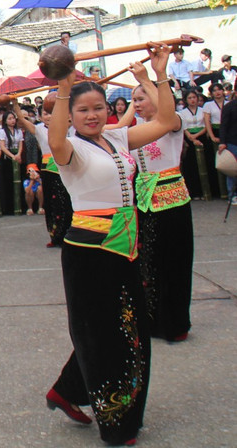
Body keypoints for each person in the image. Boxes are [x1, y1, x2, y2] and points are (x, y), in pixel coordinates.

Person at [45, 44, 176, 446]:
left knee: (128, 328)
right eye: (83, 110)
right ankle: (115, 421)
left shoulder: (119, 139)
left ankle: (66, 391)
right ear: (72, 114)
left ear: (109, 109)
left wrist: (159, 73)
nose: (92, 115)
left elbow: (168, 120)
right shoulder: (70, 148)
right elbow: (56, 136)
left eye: (98, 108)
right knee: (98, 332)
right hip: (89, 253)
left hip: (125, 247)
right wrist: (65, 88)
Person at [129, 68, 193, 343]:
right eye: (134, 99)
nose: (136, 103)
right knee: (148, 263)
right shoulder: (135, 130)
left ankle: (175, 322)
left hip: (172, 201)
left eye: (141, 98)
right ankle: (152, 319)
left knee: (174, 261)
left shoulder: (172, 124)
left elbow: (166, 112)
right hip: (144, 201)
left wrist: (148, 78)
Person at [13, 99, 72, 247]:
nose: (49, 116)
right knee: (52, 202)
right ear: (40, 117)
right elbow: (21, 119)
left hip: (66, 166)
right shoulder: (39, 129)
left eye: (52, 113)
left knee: (67, 201)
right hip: (48, 168)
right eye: (45, 113)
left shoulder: (67, 126)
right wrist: (15, 104)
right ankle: (55, 236)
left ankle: (69, 235)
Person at [178, 89, 210, 200]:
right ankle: (194, 192)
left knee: (206, 163)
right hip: (189, 138)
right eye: (190, 98)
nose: (192, 100)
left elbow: (207, 125)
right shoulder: (182, 113)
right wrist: (191, 138)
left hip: (201, 136)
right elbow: (183, 127)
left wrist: (197, 136)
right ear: (186, 100)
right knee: (191, 166)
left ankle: (206, 191)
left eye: (194, 97)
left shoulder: (203, 110)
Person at [202, 83, 227, 199]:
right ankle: (218, 190)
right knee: (215, 161)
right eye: (214, 90)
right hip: (215, 130)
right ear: (211, 93)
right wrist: (211, 136)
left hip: (227, 130)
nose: (217, 92)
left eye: (219, 90)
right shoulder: (208, 105)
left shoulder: (229, 103)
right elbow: (207, 121)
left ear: (223, 91)